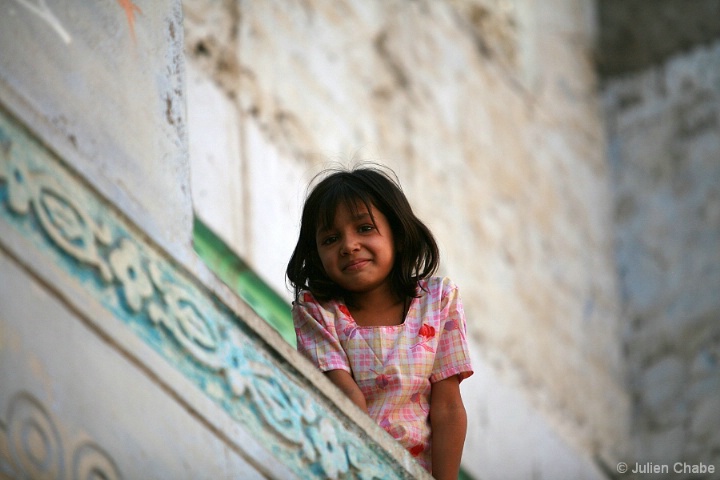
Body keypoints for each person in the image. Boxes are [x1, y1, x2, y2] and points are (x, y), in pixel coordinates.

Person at [286, 165, 473, 479]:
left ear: (398, 235)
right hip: (351, 464)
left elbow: (448, 409)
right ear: (317, 255)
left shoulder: (439, 301)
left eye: (364, 228)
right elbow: (344, 397)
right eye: (330, 239)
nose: (349, 245)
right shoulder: (316, 310)